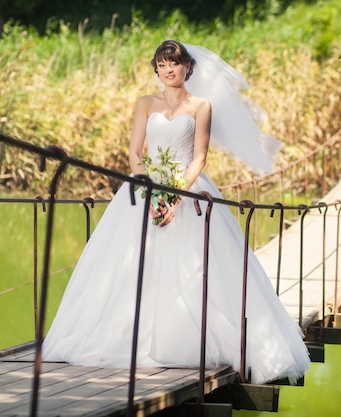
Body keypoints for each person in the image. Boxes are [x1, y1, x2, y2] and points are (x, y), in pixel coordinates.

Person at [42, 40, 310, 385]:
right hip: (145, 189)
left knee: (198, 268)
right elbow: (135, 152)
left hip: (186, 189)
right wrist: (149, 189)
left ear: (188, 68)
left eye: (175, 64)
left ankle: (186, 342)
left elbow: (199, 157)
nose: (169, 70)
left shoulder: (201, 105)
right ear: (156, 70)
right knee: (129, 264)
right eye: (162, 65)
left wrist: (176, 196)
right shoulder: (145, 104)